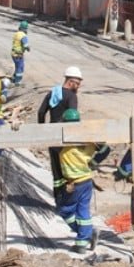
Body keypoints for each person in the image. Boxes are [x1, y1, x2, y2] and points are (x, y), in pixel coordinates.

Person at [57, 108, 111, 253]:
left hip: (74, 182)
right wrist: (94, 161)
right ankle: (83, 239)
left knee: (65, 210)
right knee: (83, 210)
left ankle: (85, 236)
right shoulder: (88, 138)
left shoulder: (63, 139)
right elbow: (106, 148)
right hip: (86, 181)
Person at [37, 66, 83, 206]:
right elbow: (73, 120)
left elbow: (40, 112)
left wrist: (43, 130)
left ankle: (58, 202)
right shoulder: (71, 96)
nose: (79, 86)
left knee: (57, 173)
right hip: (66, 140)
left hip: (52, 138)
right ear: (70, 82)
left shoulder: (53, 93)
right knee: (69, 172)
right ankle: (68, 203)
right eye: (78, 83)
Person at [10, 21, 30, 86]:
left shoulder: (16, 34)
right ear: (25, 29)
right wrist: (28, 48)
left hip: (13, 53)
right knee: (20, 67)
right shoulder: (23, 36)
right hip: (18, 54)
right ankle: (17, 81)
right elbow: (26, 45)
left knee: (17, 66)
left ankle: (13, 78)